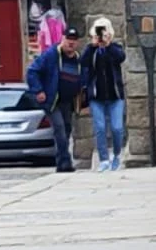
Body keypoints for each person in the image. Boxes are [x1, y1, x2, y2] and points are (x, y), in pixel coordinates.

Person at [26, 25, 85, 173]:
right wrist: (38, 90)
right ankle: (65, 164)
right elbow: (32, 72)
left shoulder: (78, 59)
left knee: (66, 130)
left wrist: (83, 100)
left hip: (68, 102)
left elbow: (83, 79)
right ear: (62, 39)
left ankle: (61, 161)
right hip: (53, 101)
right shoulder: (51, 54)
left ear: (77, 42)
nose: (70, 43)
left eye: (74, 40)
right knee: (59, 129)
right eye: (68, 39)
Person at [82, 16, 126, 171]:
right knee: (100, 128)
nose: (101, 35)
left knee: (117, 128)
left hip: (115, 96)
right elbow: (84, 62)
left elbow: (120, 58)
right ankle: (104, 159)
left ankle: (117, 154)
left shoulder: (115, 48)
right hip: (97, 97)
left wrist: (107, 45)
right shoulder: (91, 50)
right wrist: (93, 46)